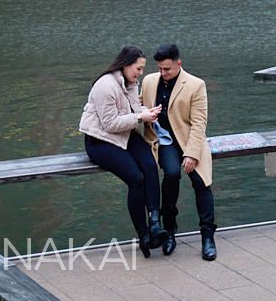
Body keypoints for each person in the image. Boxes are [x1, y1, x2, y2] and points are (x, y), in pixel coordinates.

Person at [79, 45, 167, 257]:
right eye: (138, 68)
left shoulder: (131, 82)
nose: (140, 73)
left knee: (150, 166)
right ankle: (143, 234)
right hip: (100, 141)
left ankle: (155, 223)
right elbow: (109, 124)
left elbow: (134, 109)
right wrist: (139, 118)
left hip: (125, 134)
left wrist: (147, 112)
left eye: (142, 69)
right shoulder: (105, 86)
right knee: (135, 178)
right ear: (126, 65)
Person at [141, 42, 217, 261]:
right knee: (172, 174)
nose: (163, 73)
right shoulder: (149, 82)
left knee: (201, 182)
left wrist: (192, 153)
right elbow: (137, 105)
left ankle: (208, 236)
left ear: (178, 64)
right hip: (162, 141)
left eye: (167, 69)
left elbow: (199, 123)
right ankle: (169, 230)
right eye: (160, 69)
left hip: (188, 139)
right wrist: (146, 112)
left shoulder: (195, 85)